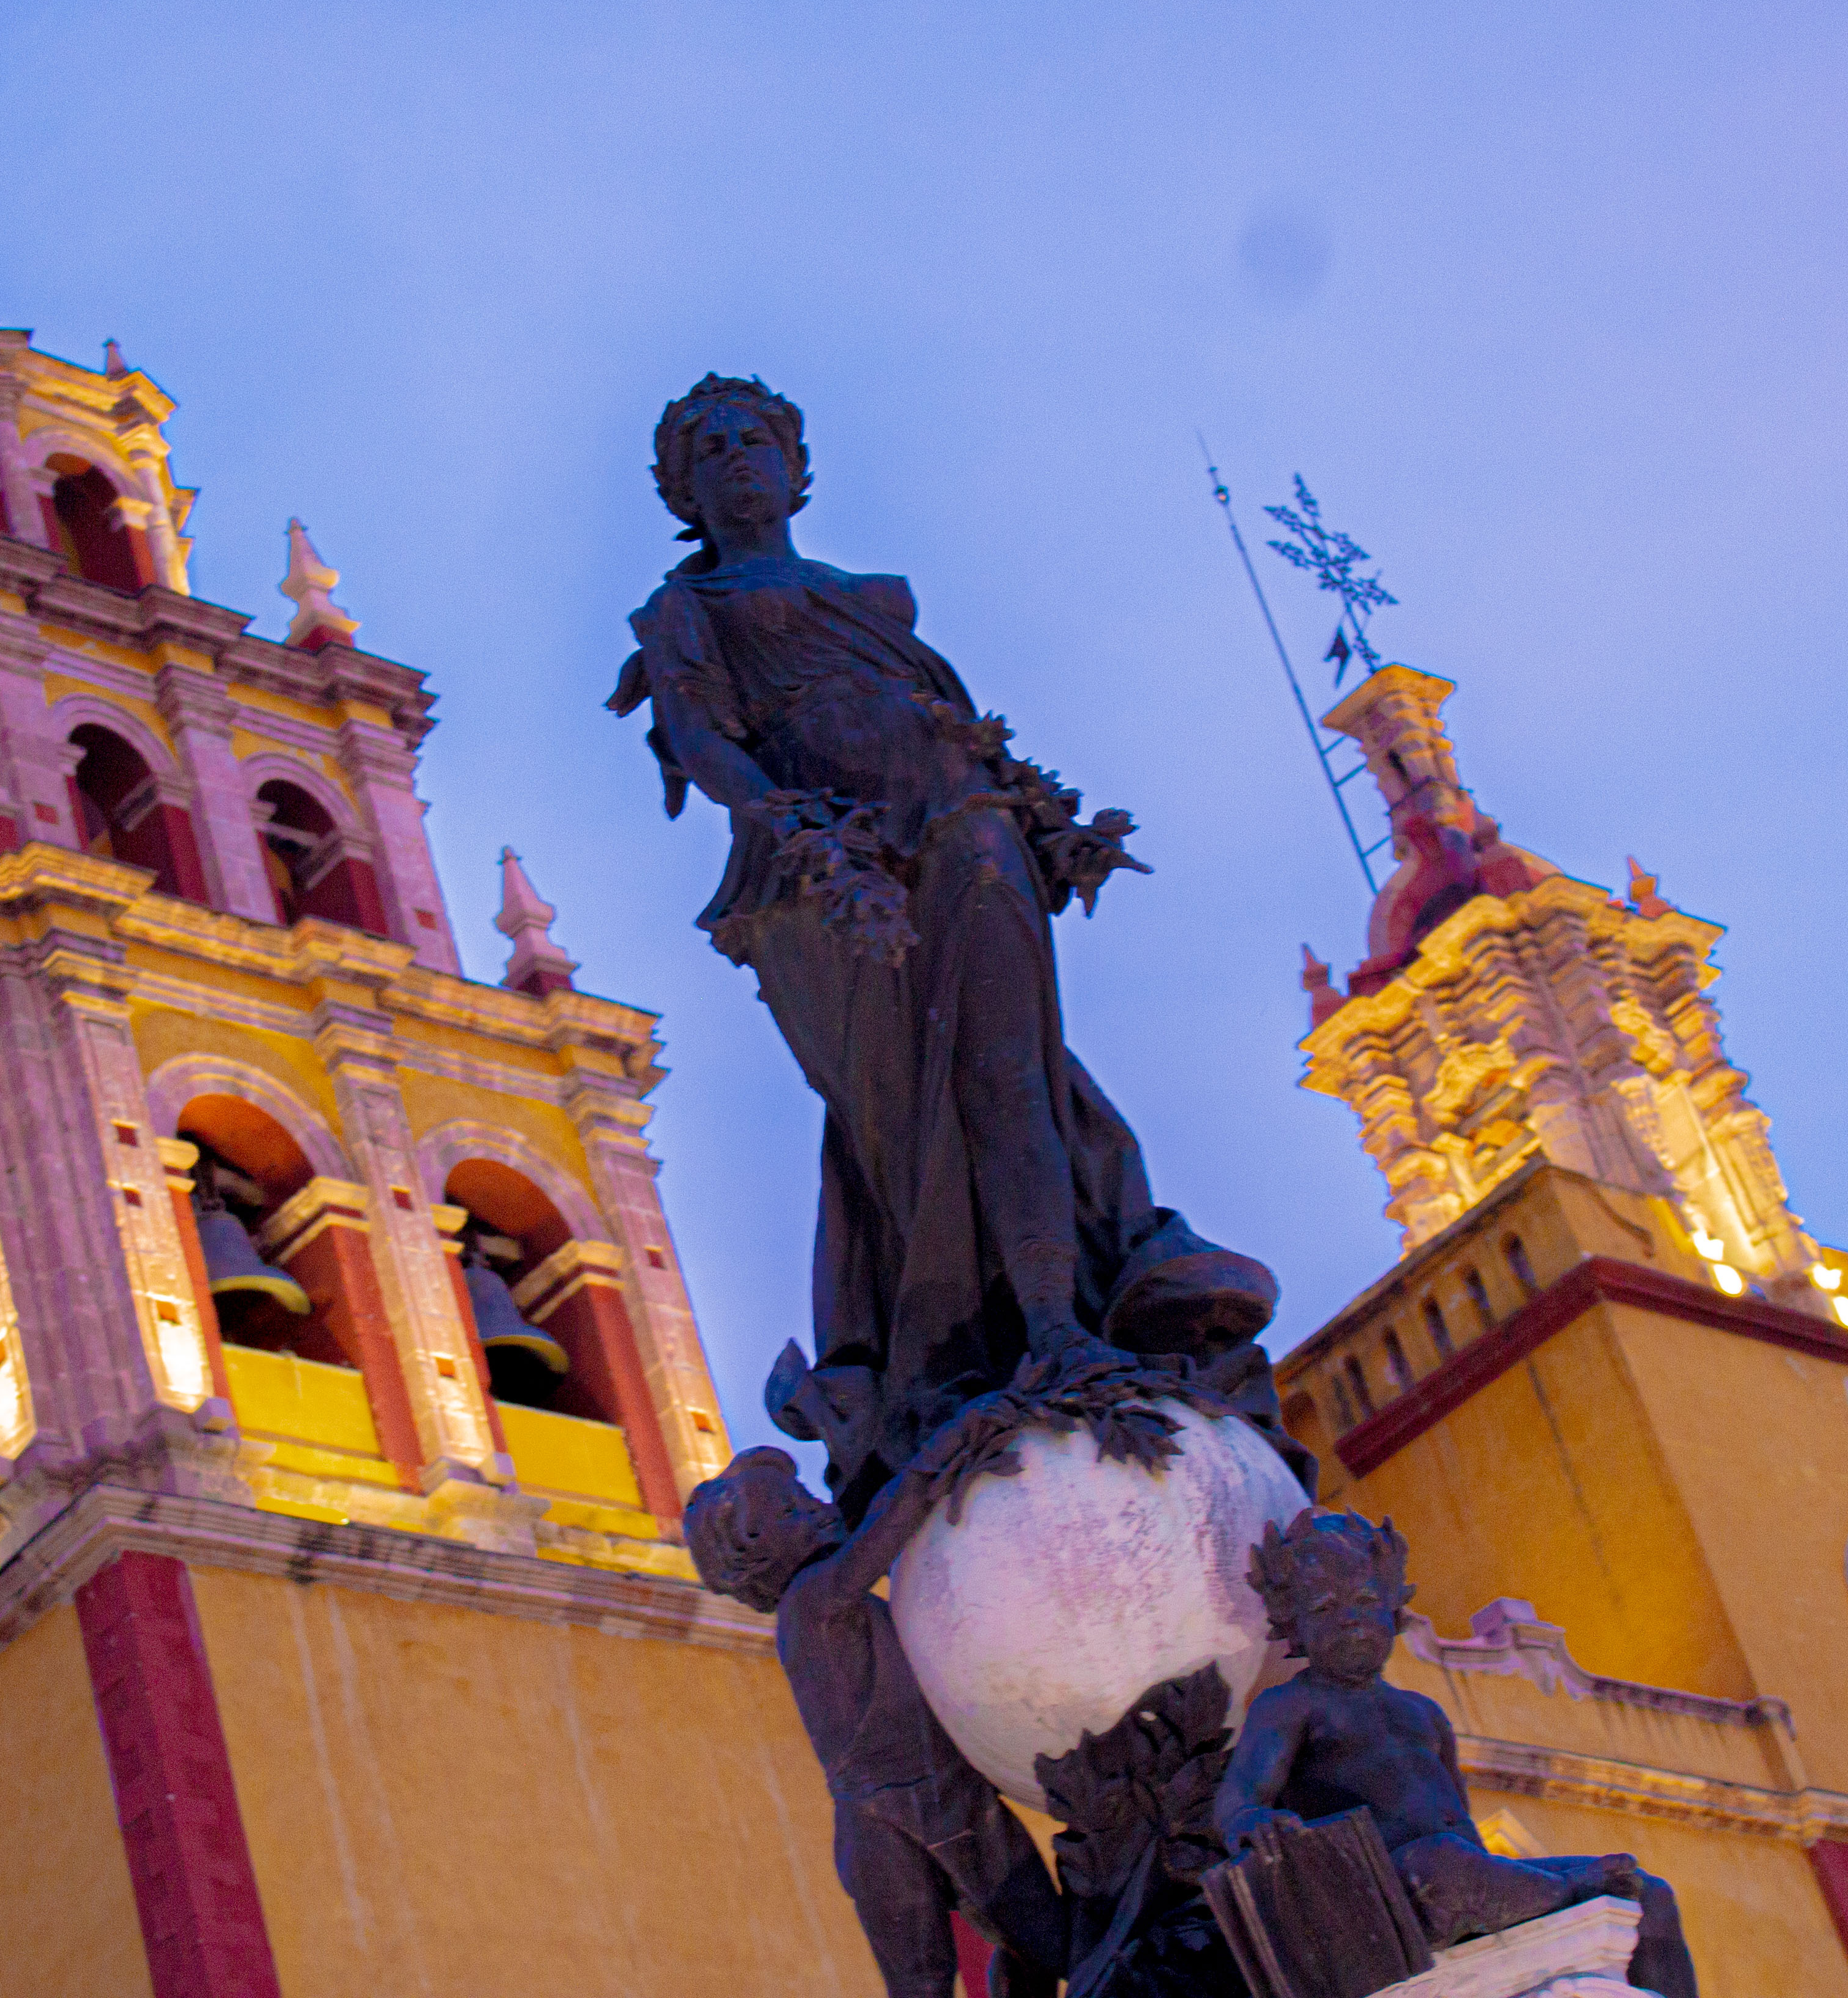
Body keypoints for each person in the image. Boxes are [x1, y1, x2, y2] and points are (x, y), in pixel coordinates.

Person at [610, 375, 1279, 1513]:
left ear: (793, 465)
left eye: (755, 440)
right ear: (682, 489)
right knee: (893, 1119)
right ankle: (945, 1350)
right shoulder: (685, 611)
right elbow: (703, 745)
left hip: (969, 826)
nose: (735, 460)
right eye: (708, 450)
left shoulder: (867, 598)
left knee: (1009, 1070)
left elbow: (948, 720)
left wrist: (1027, 813)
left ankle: (1062, 1327)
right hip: (833, 880)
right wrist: (800, 826)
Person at [1213, 1514, 1699, 1998]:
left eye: (1364, 1601)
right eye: (1323, 1608)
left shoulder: (1424, 1713)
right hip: (1392, 1896)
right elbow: (1239, 1800)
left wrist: (1494, 1885)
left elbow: (1459, 1818)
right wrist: (1251, 1820)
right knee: (1441, 1862)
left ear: (1393, 1607)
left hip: (1469, 1880)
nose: (1350, 1619)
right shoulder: (1291, 1705)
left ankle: (1560, 1897)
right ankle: (1572, 1892)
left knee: (1650, 1895)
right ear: (1292, 1624)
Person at [687, 1446, 1069, 1998]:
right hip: (887, 1824)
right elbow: (891, 1525)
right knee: (932, 1981)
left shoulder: (839, 1606)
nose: (821, 1510)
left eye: (810, 1499)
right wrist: (956, 1444)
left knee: (1043, 1949)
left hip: (946, 1801)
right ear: (759, 1556)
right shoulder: (812, 1602)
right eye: (793, 1513)